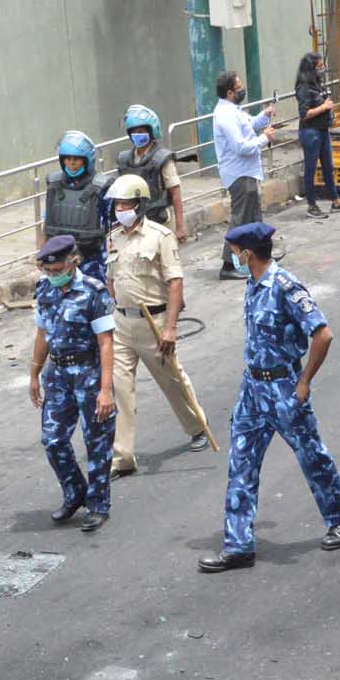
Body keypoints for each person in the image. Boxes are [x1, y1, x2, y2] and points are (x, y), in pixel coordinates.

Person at [198, 223, 340, 573]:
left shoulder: (285, 287)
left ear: (248, 254)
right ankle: (238, 546)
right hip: (252, 390)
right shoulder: (253, 285)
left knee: (312, 456)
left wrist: (304, 381)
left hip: (284, 389)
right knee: (241, 465)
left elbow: (323, 334)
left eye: (236, 252)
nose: (234, 258)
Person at [105, 174, 212, 476]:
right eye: (117, 204)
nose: (120, 209)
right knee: (120, 389)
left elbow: (175, 283)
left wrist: (170, 328)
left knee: (172, 380)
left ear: (139, 205)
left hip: (155, 322)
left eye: (126, 204)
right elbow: (111, 280)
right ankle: (123, 457)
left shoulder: (159, 236)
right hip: (122, 323)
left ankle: (197, 427)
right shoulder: (112, 238)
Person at [29, 236, 117, 530]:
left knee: (97, 442)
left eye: (57, 270)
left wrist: (105, 390)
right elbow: (42, 333)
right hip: (57, 374)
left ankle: (98, 504)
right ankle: (74, 490)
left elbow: (105, 343)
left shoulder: (94, 292)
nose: (52, 276)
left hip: (89, 373)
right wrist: (34, 373)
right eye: (48, 271)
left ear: (73, 261)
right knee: (52, 440)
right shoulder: (44, 289)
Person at [211, 71, 275, 281]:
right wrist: (264, 139)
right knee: (240, 219)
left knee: (254, 216)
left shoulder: (233, 110)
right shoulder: (226, 116)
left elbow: (250, 125)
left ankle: (261, 256)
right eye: (239, 88)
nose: (242, 90)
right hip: (239, 172)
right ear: (230, 92)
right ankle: (228, 264)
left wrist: (263, 116)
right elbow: (240, 146)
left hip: (246, 171)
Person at [43, 130, 114, 285]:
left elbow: (114, 228)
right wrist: (42, 255)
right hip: (60, 261)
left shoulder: (101, 186)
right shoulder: (54, 185)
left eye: (76, 159)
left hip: (92, 260)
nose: (72, 163)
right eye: (67, 159)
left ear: (87, 160)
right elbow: (47, 225)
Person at [294, 52, 340, 218]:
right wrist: (324, 107)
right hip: (310, 132)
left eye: (322, 65)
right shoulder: (304, 87)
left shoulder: (316, 84)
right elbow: (304, 114)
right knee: (311, 170)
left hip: (322, 130)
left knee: (328, 167)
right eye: (319, 66)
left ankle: (336, 201)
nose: (322, 69)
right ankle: (312, 205)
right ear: (311, 68)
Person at [117, 105, 188, 241]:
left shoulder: (163, 158)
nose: (137, 135)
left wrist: (180, 227)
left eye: (141, 131)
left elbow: (176, 195)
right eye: (134, 132)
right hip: (135, 222)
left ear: (151, 131)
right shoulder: (125, 160)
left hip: (160, 222)